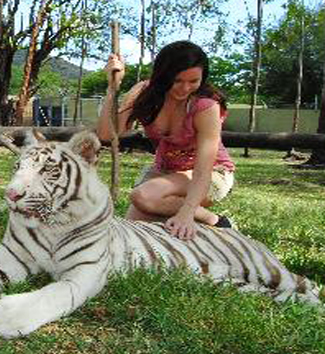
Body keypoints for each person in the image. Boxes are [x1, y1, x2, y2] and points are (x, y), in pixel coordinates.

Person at [96, 40, 235, 241]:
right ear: (162, 75)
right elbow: (107, 135)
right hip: (164, 174)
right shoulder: (145, 94)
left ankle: (217, 222)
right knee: (131, 234)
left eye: (194, 81)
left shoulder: (205, 106)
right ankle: (192, 217)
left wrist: (187, 213)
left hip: (211, 174)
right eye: (177, 80)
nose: (185, 88)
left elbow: (203, 169)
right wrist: (112, 88)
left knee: (143, 196)